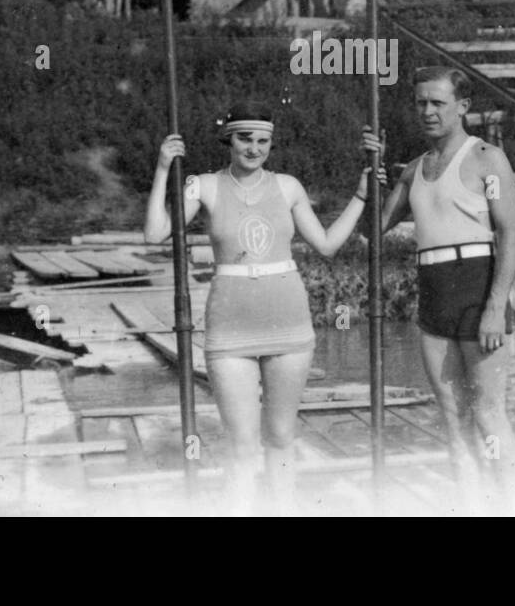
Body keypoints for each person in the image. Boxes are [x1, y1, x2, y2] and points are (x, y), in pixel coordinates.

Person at [145, 102, 383, 514]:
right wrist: (164, 168)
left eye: (262, 141)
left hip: (289, 325)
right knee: (240, 445)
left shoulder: (288, 186)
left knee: (280, 438)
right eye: (244, 138)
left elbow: (326, 245)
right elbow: (155, 234)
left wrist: (361, 196)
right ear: (228, 139)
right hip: (230, 329)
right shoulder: (202, 185)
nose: (253, 148)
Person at [373, 65, 515, 511]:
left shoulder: (486, 159)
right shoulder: (413, 170)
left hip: (478, 290)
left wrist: (496, 307)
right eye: (420, 102)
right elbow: (373, 234)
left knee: (488, 413)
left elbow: (511, 235)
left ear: (462, 107)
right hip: (434, 293)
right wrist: (370, 176)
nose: (428, 111)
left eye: (438, 103)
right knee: (454, 420)